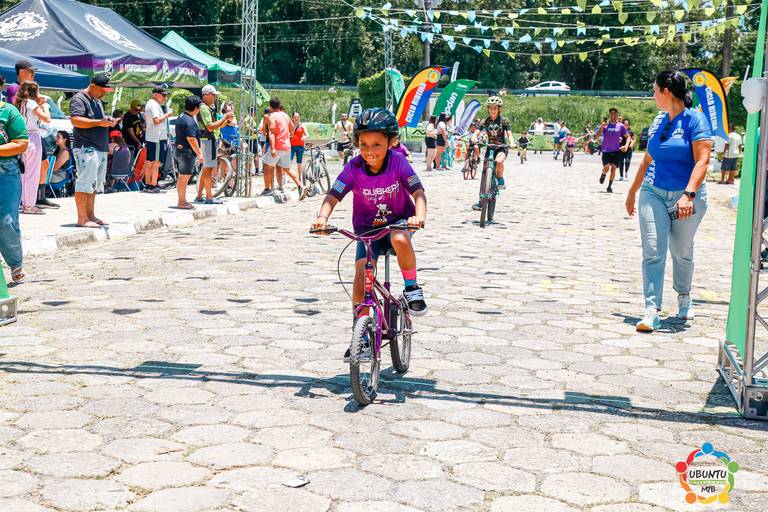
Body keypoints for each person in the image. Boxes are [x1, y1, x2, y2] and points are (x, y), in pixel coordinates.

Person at [311, 107, 428, 360]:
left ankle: (412, 288)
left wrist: (418, 216)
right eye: (363, 144)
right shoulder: (354, 168)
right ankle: (361, 334)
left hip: (398, 222)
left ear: (391, 142)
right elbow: (333, 196)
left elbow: (418, 193)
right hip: (367, 230)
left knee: (399, 237)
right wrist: (322, 218)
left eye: (377, 144)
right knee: (361, 271)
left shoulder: (398, 163)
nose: (369, 150)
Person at [625, 70, 712, 332]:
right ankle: (652, 310)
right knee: (653, 249)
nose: (653, 95)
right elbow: (647, 159)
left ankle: (684, 296)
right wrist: (633, 191)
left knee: (681, 250)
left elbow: (703, 160)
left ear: (666, 92)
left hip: (686, 196)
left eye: (654, 90)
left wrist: (688, 194)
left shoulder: (695, 119)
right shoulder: (659, 121)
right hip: (653, 193)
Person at [70, 74, 118, 228]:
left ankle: (90, 215)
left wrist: (107, 120)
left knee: (94, 184)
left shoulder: (97, 101)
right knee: (84, 182)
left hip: (99, 147)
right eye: (102, 90)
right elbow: (75, 120)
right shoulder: (79, 98)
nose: (104, 93)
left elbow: (98, 120)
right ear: (93, 86)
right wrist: (99, 122)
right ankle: (82, 218)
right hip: (86, 147)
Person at [0, 95, 29, 284]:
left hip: (5, 171)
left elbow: (21, 143)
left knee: (5, 219)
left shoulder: (9, 111)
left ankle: (15, 263)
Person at [14, 81, 50, 215]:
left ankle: (23, 203)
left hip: (21, 137)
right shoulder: (32, 103)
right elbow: (46, 119)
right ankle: (29, 205)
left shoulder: (20, 103)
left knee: (23, 173)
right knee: (32, 173)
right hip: (33, 137)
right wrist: (45, 106)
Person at [472, 96, 512, 211]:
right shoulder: (485, 121)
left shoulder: (504, 121)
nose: (492, 110)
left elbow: (509, 134)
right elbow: (477, 132)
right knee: (485, 173)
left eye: (495, 108)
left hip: (501, 147)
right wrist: (474, 137)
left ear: (499, 109)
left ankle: (500, 179)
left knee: (498, 162)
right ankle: (481, 200)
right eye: (490, 108)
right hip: (490, 148)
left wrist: (512, 142)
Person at [195, 84, 232, 204]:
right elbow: (210, 127)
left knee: (207, 169)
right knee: (208, 170)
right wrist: (224, 119)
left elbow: (216, 126)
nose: (215, 98)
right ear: (206, 95)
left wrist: (226, 121)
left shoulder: (207, 107)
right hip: (207, 139)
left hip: (208, 139)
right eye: (213, 95)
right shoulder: (204, 108)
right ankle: (209, 197)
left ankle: (200, 195)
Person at [262, 98, 304, 199]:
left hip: (277, 146)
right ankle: (300, 185)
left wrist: (272, 148)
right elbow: (292, 129)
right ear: (279, 105)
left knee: (266, 166)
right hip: (287, 146)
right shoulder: (285, 115)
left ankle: (267, 189)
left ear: (270, 106)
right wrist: (287, 137)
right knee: (287, 169)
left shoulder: (271, 116)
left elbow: (271, 133)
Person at [174, 95, 204, 210]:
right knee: (184, 178)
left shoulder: (181, 116)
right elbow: (191, 139)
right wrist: (199, 154)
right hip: (186, 153)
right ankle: (182, 202)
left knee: (182, 177)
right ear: (196, 108)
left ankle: (181, 200)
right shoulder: (190, 121)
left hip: (179, 150)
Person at [142, 86, 172, 193]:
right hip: (157, 138)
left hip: (152, 136)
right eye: (163, 95)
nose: (165, 97)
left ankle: (148, 185)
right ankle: (153, 185)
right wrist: (167, 114)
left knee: (150, 162)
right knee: (155, 162)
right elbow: (157, 120)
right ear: (155, 94)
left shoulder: (150, 103)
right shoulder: (154, 104)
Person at [596, 108, 628, 193]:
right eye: (611, 113)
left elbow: (628, 137)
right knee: (606, 167)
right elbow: (596, 136)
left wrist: (626, 145)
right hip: (606, 150)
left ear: (617, 115)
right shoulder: (605, 125)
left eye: (615, 113)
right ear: (610, 115)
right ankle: (603, 173)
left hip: (616, 151)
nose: (613, 115)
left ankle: (609, 186)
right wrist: (602, 126)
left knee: (613, 169)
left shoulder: (620, 126)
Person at [290, 112, 307, 183]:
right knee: (289, 162)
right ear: (292, 118)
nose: (296, 118)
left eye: (298, 117)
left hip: (300, 146)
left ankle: (299, 177)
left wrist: (304, 137)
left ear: (300, 118)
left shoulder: (302, 125)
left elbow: (307, 135)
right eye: (295, 117)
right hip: (291, 146)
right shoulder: (290, 125)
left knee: (299, 162)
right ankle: (290, 177)